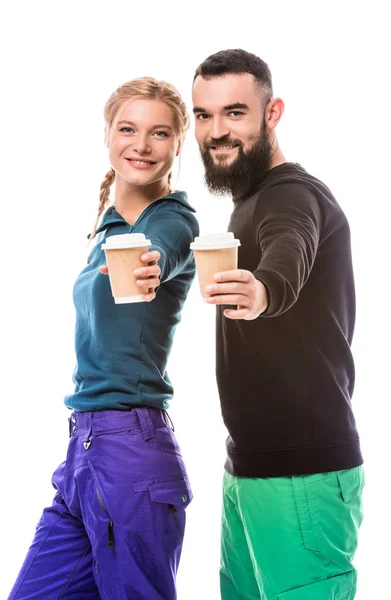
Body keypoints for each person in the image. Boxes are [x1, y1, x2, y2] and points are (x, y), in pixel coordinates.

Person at [9, 77, 198, 600]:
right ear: (108, 134)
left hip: (131, 453)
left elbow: (160, 249)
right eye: (128, 128)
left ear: (178, 144)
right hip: (82, 452)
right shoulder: (108, 226)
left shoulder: (174, 221)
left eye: (160, 133)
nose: (142, 144)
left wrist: (149, 264)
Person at [192, 49, 364, 599]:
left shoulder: (291, 194)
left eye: (235, 113)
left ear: (273, 113)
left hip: (302, 475)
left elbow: (291, 249)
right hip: (251, 467)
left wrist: (264, 289)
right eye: (203, 115)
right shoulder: (251, 201)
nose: (217, 131)